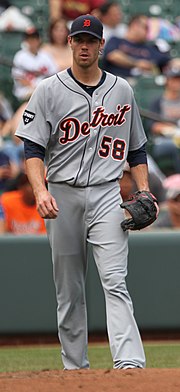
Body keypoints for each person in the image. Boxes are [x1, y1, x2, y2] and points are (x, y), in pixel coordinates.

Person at [15, 14, 158, 370]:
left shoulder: (122, 90)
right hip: (62, 194)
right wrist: (40, 191)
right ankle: (75, 369)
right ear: (69, 43)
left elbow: (137, 150)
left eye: (90, 41)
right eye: (78, 39)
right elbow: (31, 149)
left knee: (115, 280)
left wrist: (144, 189)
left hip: (108, 194)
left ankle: (130, 364)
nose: (84, 46)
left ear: (101, 45)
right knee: (69, 290)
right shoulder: (49, 89)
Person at [102, 14, 171, 79]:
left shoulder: (149, 48)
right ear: (135, 25)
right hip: (117, 81)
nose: (148, 31)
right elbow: (112, 56)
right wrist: (137, 63)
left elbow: (168, 61)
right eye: (146, 27)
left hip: (143, 85)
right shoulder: (116, 41)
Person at [148, 66, 180, 174]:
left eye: (178, 79)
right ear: (167, 81)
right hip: (162, 141)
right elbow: (153, 126)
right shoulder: (158, 101)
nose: (176, 83)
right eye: (174, 79)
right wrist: (172, 131)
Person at [11, 28, 58, 102]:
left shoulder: (46, 56)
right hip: (25, 91)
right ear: (25, 41)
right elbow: (19, 79)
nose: (32, 41)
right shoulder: (20, 56)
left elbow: (54, 74)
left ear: (39, 40)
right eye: (29, 39)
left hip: (44, 89)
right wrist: (35, 87)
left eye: (34, 38)